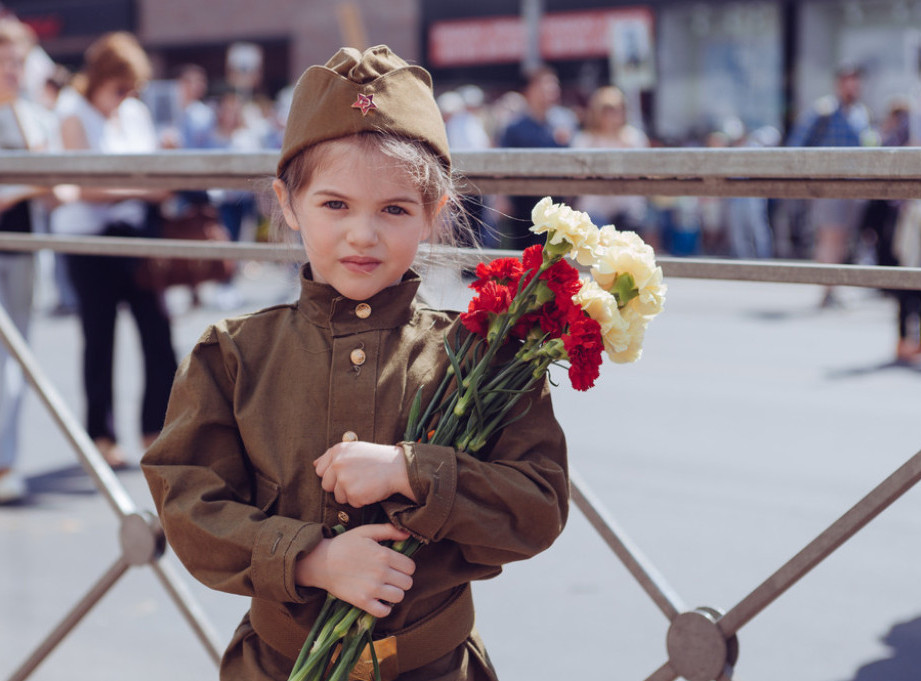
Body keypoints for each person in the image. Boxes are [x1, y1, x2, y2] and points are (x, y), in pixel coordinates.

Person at [141, 45, 569, 681]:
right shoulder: (233, 354)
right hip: (277, 665)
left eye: (394, 209)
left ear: (434, 210)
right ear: (288, 204)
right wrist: (306, 559)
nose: (362, 235)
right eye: (334, 204)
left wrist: (411, 471)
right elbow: (188, 503)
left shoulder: (481, 356)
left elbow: (537, 506)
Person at [50, 32, 178, 469]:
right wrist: (146, 191)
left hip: (133, 235)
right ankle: (100, 435)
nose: (124, 98)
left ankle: (155, 429)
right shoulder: (72, 112)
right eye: (118, 88)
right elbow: (84, 186)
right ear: (100, 78)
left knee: (158, 334)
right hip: (89, 242)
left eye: (130, 90)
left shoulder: (135, 113)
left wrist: (155, 177)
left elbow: (143, 172)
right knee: (99, 340)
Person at [0, 18, 59, 503]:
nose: (10, 70)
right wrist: (33, 182)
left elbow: (57, 190)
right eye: (3, 61)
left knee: (16, 361)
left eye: (17, 62)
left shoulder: (33, 115)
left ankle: (6, 461)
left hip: (22, 250)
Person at [786, 63, 874, 306]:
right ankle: (826, 290)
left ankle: (832, 287)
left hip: (854, 188)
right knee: (829, 238)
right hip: (829, 186)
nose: (853, 85)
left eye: (856, 80)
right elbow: (797, 145)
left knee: (842, 239)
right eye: (848, 80)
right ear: (839, 83)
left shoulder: (860, 113)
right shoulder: (824, 110)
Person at [498, 66, 572, 249]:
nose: (549, 92)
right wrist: (502, 197)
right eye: (543, 86)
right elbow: (502, 165)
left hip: (556, 203)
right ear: (528, 90)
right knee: (523, 257)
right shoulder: (514, 127)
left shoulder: (565, 123)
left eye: (553, 87)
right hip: (523, 204)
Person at [572, 85, 650, 240]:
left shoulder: (634, 138)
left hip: (628, 208)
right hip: (594, 209)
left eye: (618, 109)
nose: (613, 115)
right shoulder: (585, 140)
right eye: (607, 110)